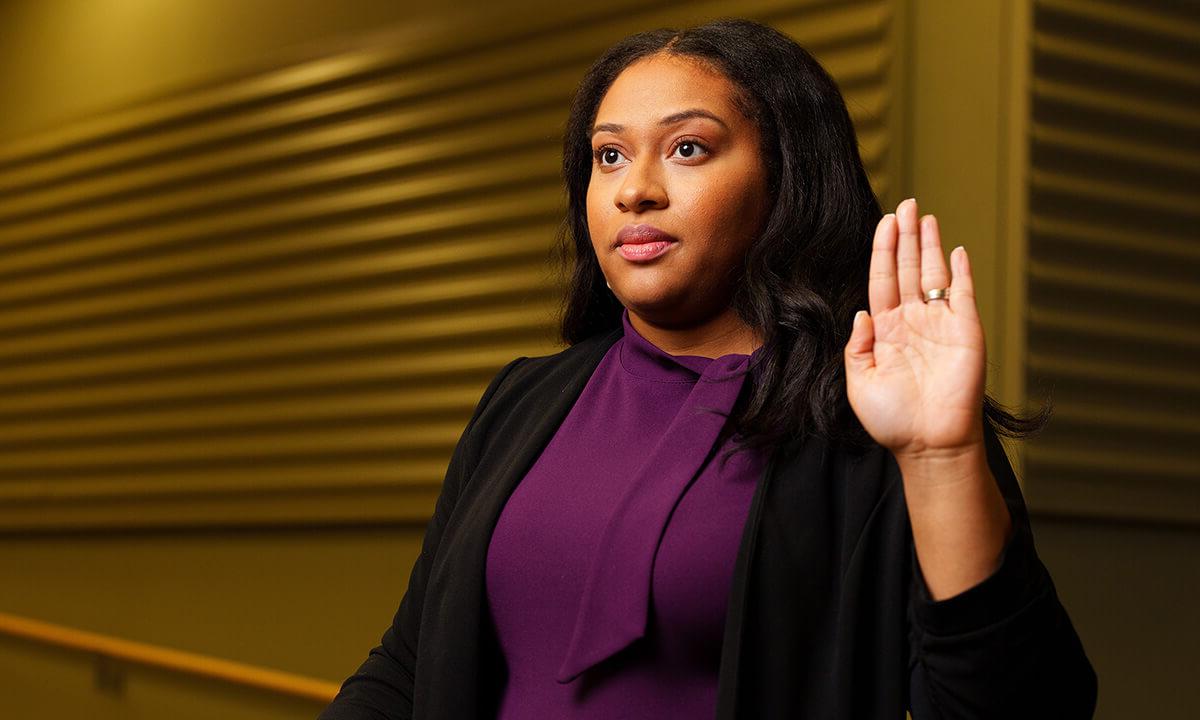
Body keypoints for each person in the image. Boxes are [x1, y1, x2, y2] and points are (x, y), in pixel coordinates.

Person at [319, 18, 1097, 720]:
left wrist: (940, 459)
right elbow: (407, 667)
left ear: (785, 178)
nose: (636, 191)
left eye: (688, 148)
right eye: (609, 155)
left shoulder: (877, 420)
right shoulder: (523, 400)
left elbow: (1021, 707)